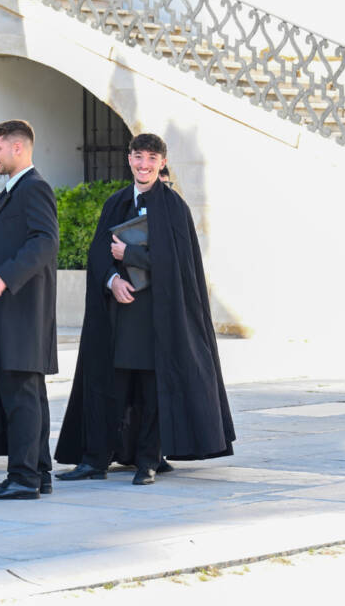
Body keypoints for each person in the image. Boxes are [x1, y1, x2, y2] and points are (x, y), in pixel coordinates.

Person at [54, 133, 235, 485]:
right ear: (129, 159)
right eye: (138, 156)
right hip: (118, 318)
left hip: (157, 320)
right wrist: (112, 281)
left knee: (153, 391)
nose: (144, 164)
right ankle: (95, 461)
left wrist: (131, 256)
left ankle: (148, 461)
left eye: (152, 158)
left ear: (162, 163)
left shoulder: (174, 207)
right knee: (110, 387)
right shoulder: (116, 202)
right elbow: (98, 253)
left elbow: (178, 264)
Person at [0, 120, 59, 500]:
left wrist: (4, 276)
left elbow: (45, 242)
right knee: (28, 395)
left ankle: (22, 478)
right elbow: (13, 240)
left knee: (21, 397)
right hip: (13, 313)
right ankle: (39, 472)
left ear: (18, 149)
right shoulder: (11, 192)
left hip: (22, 312)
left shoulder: (34, 189)